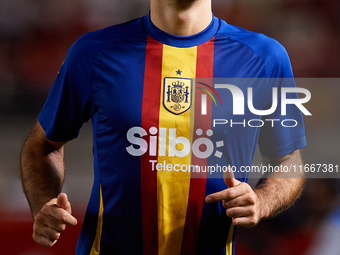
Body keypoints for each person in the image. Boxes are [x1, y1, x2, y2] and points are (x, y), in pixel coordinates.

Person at [20, 0, 306, 254]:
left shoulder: (265, 58)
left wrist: (260, 200)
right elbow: (43, 144)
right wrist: (44, 204)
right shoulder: (92, 53)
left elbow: (289, 161)